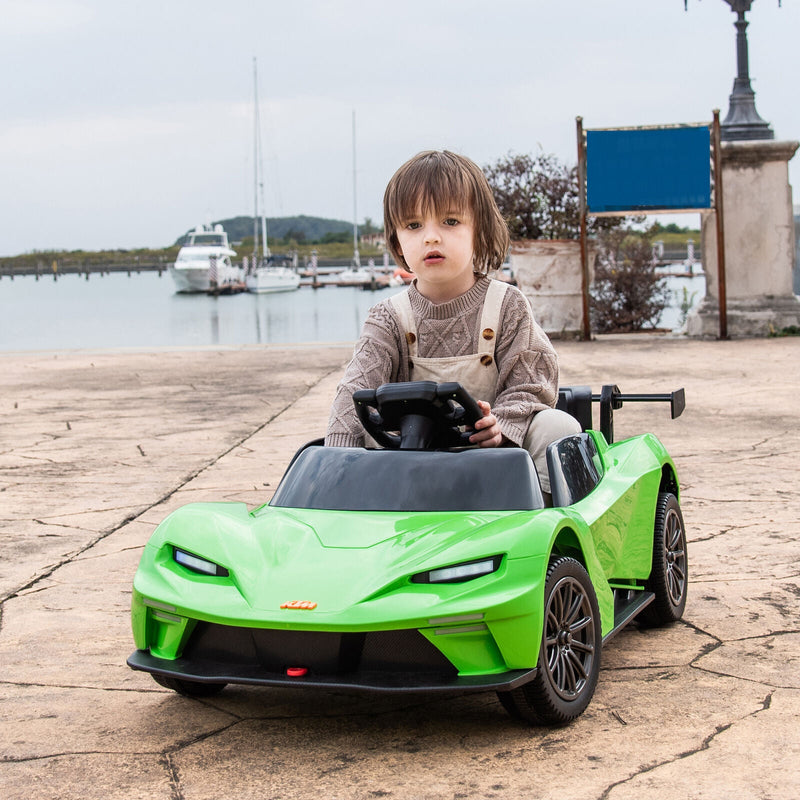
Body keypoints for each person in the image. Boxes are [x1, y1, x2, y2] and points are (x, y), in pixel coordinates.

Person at [325, 150, 580, 500]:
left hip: (496, 462)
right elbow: (353, 392)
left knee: (558, 426)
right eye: (414, 226)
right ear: (397, 240)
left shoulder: (507, 305)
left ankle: (541, 520)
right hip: (411, 465)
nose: (431, 238)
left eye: (449, 221)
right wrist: (335, 465)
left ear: (479, 230)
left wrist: (502, 425)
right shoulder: (388, 318)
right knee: (356, 428)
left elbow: (532, 385)